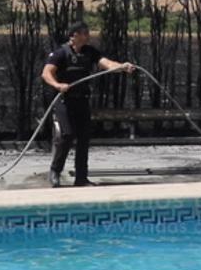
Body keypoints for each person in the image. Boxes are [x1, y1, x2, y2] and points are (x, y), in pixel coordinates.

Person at [41, 22, 134, 187]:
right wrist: (57, 85)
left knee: (84, 138)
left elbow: (107, 64)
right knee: (67, 135)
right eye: (83, 33)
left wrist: (121, 66)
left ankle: (81, 178)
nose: (87, 35)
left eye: (87, 32)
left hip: (82, 100)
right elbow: (46, 73)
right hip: (64, 101)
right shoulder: (60, 53)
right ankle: (55, 171)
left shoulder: (90, 52)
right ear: (73, 36)